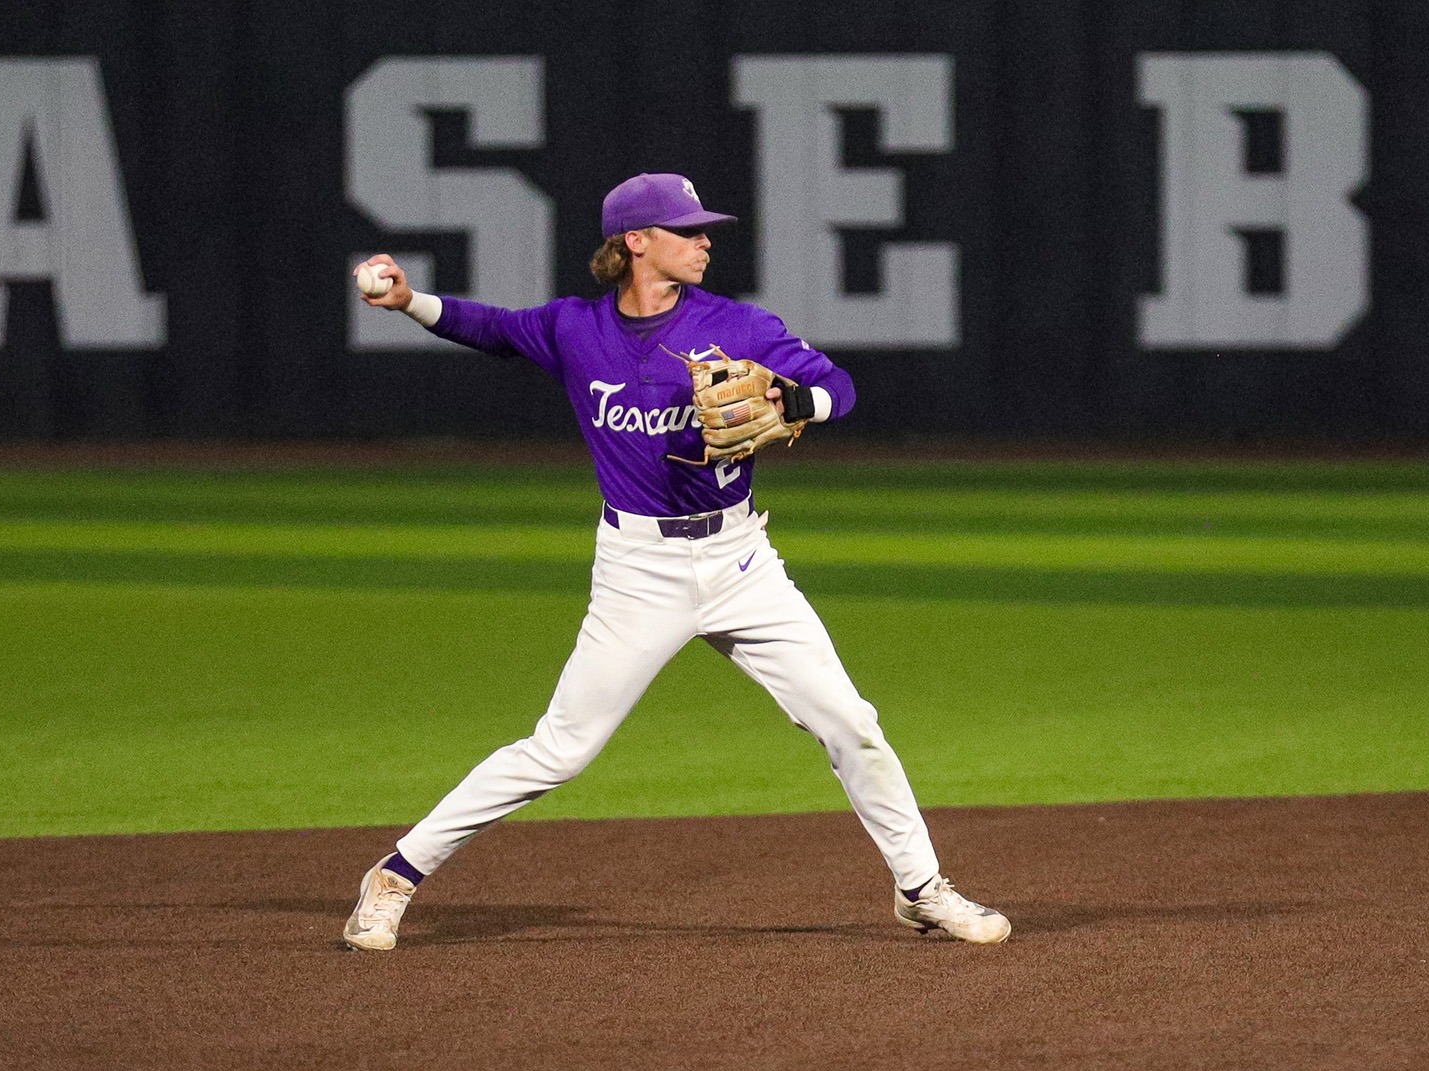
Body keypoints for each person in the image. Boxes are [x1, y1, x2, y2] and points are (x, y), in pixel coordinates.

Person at [342, 172, 1009, 948]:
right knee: (561, 750)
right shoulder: (573, 329)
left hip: (741, 561)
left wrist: (798, 402)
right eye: (686, 229)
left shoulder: (739, 325)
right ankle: (394, 874)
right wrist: (408, 302)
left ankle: (921, 889)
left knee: (850, 724)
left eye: (703, 229)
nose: (705, 240)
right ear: (635, 243)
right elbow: (486, 326)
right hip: (636, 571)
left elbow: (841, 387)